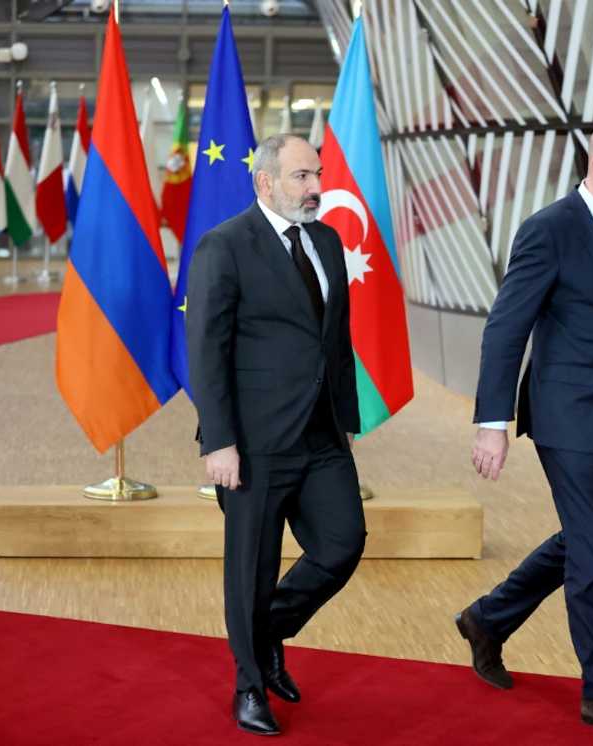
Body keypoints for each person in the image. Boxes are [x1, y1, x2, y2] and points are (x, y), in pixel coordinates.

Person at [460, 121, 593, 737]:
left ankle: (489, 619)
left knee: (586, 540)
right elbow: (506, 327)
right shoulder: (548, 229)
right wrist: (492, 423)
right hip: (563, 416)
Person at [187, 134, 365, 736]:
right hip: (254, 441)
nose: (316, 188)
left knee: (343, 543)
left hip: (321, 434)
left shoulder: (326, 240)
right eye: (301, 177)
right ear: (266, 183)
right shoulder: (225, 246)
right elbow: (207, 351)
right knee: (251, 568)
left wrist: (344, 414)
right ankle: (248, 686)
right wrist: (218, 441)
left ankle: (267, 634)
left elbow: (332, 339)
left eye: (316, 174)